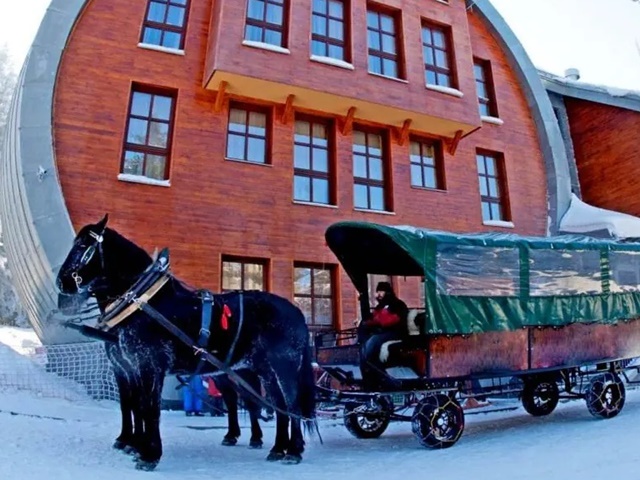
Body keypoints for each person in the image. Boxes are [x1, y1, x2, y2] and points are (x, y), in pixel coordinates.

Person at [358, 281, 408, 389]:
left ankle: (372, 367)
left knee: (373, 341)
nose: (378, 294)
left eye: (381, 291)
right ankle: (367, 368)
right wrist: (365, 323)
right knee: (368, 340)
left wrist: (376, 320)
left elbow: (389, 321)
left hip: (396, 333)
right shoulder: (380, 307)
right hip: (383, 332)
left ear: (387, 292)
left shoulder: (397, 305)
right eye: (377, 291)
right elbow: (373, 319)